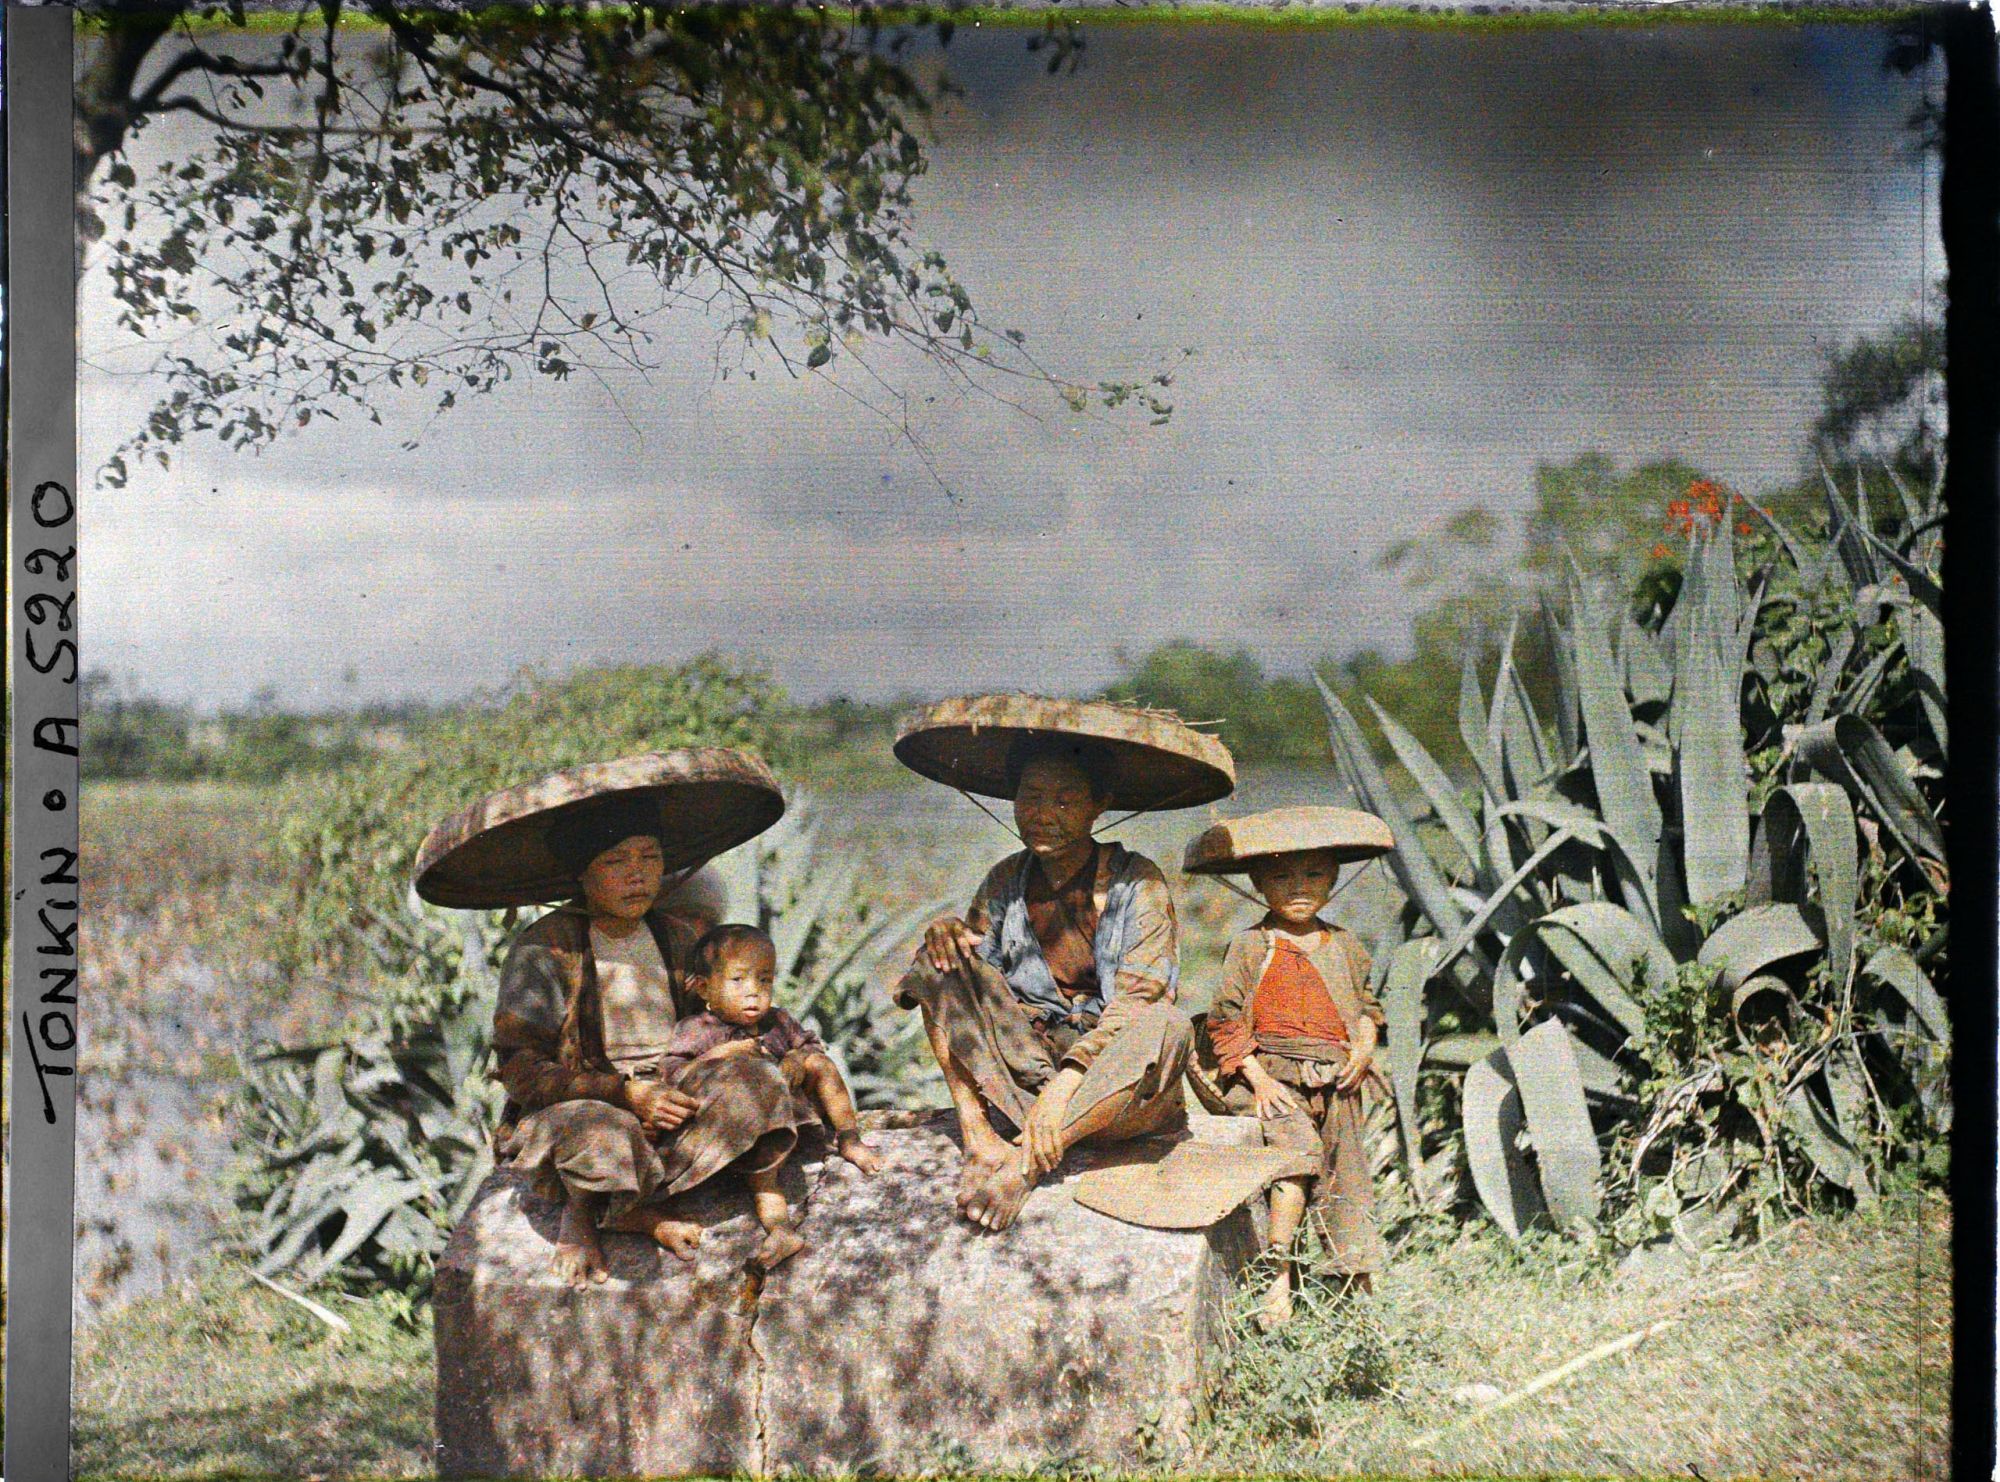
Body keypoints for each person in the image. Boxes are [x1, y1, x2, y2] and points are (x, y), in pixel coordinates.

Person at [490, 795, 804, 1287]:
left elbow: (724, 1014)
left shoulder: (679, 937)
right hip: (595, 1102)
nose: (637, 875)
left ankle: (629, 1202)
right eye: (615, 861)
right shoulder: (545, 947)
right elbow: (520, 1070)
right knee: (598, 1134)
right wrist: (624, 1094)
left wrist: (754, 1055)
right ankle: (590, 1212)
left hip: (677, 1095)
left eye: (650, 858)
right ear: (582, 873)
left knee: (756, 1081)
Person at [894, 735, 1195, 1232]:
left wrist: (1065, 1089)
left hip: (1110, 1092)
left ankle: (1024, 1167)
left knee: (1167, 1024)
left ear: (1099, 806)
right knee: (939, 960)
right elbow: (975, 976)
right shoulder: (1005, 880)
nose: (1042, 813)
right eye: (1030, 796)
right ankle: (978, 1141)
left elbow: (1138, 1003)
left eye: (1064, 800)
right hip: (1029, 1075)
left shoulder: (1138, 883)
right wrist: (949, 934)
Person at [1199, 838, 1389, 1329]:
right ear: (1259, 884)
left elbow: (1366, 1007)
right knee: (1295, 1159)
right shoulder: (1250, 945)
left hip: (1338, 1080)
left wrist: (1364, 1047)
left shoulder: (1345, 945)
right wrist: (1258, 1079)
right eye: (1281, 878)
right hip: (1274, 1076)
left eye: (1313, 876)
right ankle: (1276, 1278)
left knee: (1347, 1179)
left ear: (1332, 880)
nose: (1298, 889)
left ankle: (1357, 1298)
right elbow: (1224, 1018)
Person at [656, 923, 882, 1269]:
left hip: (789, 1113)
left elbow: (810, 1045)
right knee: (766, 1183)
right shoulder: (696, 1029)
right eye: (738, 980)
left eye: (764, 980)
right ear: (704, 987)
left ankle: (849, 1138)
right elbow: (673, 1075)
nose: (754, 992)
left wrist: (795, 1058)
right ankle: (780, 1228)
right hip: (740, 1127)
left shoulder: (778, 1021)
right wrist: (719, 1056)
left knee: (819, 1063)